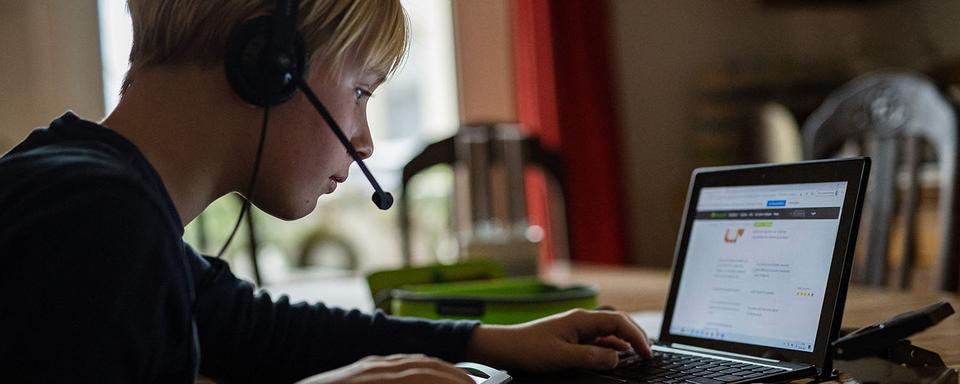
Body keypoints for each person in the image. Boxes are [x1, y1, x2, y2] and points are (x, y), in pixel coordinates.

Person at [0, 0, 652, 382]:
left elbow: (261, 329)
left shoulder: (97, 194)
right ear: (272, 67)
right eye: (362, 92)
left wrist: (486, 342)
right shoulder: (97, 221)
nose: (365, 140)